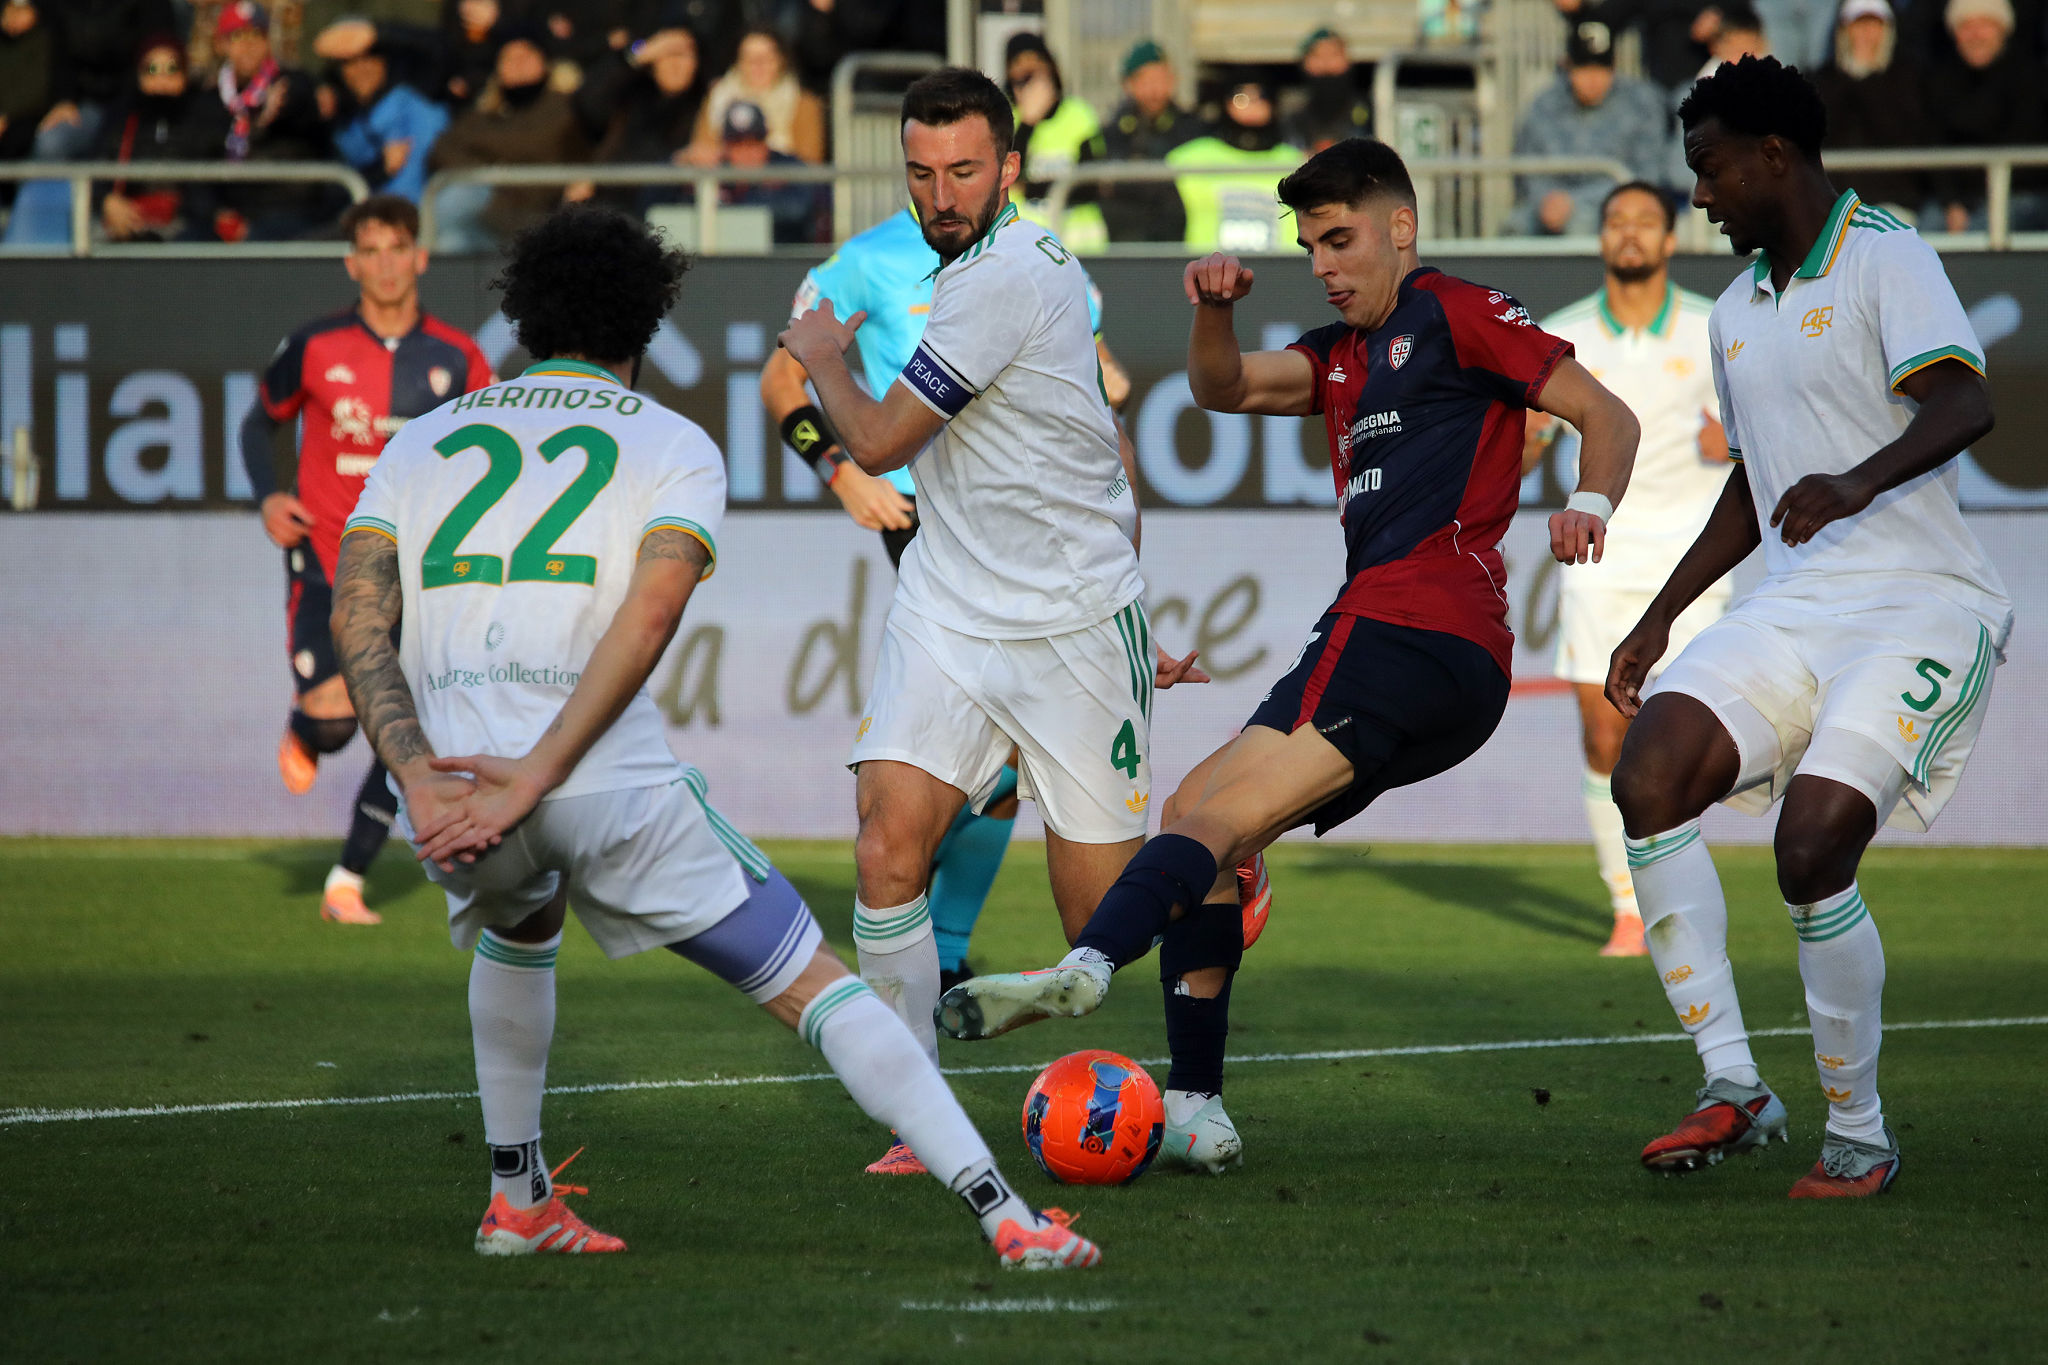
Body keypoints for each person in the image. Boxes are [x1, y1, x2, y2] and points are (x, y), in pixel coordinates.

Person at [329, 203, 1099, 1270]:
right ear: (644, 322)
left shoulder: (422, 441)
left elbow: (358, 613)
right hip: (606, 794)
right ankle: (1004, 1216)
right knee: (815, 986)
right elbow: (649, 619)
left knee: (516, 919)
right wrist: (542, 778)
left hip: (459, 790)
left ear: (522, 316)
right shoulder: (669, 443)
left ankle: (515, 1200)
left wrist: (416, 774)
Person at [936, 139, 1640, 1177]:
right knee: (1196, 813)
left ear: (1400, 228)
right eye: (1310, 245)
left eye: (1341, 239)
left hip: (1413, 624)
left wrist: (1587, 501)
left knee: (1211, 824)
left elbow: (1603, 413)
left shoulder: (1451, 310)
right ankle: (1195, 1108)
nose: (1324, 263)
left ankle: (1085, 967)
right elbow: (1222, 387)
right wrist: (1212, 307)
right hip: (1394, 641)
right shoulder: (1338, 355)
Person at [779, 68, 1223, 1172]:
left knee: (1098, 927)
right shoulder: (961, 271)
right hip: (948, 607)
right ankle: (912, 1117)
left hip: (1071, 626)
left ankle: (1208, 1001)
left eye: (964, 169)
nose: (942, 192)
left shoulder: (1011, 273)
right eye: (922, 172)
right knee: (886, 845)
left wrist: (823, 361)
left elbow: (881, 442)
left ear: (1009, 169)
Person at [1608, 56, 2009, 1197]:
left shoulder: (1884, 253)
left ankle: (1858, 1136)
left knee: (1810, 843)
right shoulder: (1736, 308)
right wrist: (1657, 616)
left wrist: (1854, 482)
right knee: (1647, 776)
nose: (1699, 197)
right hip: (1791, 604)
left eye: (1709, 169)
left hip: (1920, 598)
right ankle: (1733, 1087)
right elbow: (1752, 483)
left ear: (1771, 157)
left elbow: (1963, 399)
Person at [242, 194, 493, 926]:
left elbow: (486, 454)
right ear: (353, 263)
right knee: (336, 723)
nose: (385, 263)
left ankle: (346, 879)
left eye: (398, 247)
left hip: (419, 569)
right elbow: (259, 424)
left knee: (404, 725)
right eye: (371, 250)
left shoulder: (457, 356)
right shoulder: (315, 346)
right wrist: (267, 497)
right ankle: (305, 725)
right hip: (326, 557)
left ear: (419, 257)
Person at [1526, 180, 1729, 956]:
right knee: (1602, 735)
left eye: (1646, 222)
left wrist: (1732, 447)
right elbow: (1526, 445)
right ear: (1602, 238)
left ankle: (1675, 891)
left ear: (1672, 239)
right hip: (1598, 556)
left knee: (1681, 738)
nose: (1631, 234)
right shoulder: (1565, 336)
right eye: (1617, 222)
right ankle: (1628, 909)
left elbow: (1764, 438)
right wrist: (1528, 442)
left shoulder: (1715, 329)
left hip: (1693, 560)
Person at [427, 24, 590, 251]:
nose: (517, 63)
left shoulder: (563, 107)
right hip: (488, 217)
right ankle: (424, 270)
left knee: (460, 192)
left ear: (544, 61)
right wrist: (489, 175)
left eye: (526, 55)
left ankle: (417, 259)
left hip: (537, 220)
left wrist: (488, 163)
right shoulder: (486, 112)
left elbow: (535, 142)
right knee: (451, 241)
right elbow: (442, 148)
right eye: (508, 57)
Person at [1513, 22, 1676, 237]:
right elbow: (1528, 167)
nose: (1593, 79)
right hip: (1547, 206)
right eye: (1583, 68)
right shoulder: (1545, 104)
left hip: (1616, 209)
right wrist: (1547, 200)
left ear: (1614, 66)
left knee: (1580, 224)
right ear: (1567, 66)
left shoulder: (1641, 103)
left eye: (1601, 68)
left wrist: (1575, 201)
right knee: (1514, 226)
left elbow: (1646, 177)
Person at [212, 1, 338, 242]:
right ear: (222, 45)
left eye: (256, 35)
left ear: (268, 41)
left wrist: (274, 113)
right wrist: (218, 212)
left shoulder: (291, 81)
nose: (248, 45)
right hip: (231, 208)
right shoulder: (212, 96)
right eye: (237, 36)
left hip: (286, 207)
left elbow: (303, 107)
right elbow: (203, 155)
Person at [1923, 0, 2048, 233]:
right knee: (1923, 232)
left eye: (1985, 25)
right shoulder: (1941, 81)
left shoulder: (2029, 78)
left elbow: (2023, 151)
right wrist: (1952, 202)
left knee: (1982, 229)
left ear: (2003, 29)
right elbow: (1934, 144)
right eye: (1966, 26)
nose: (1976, 35)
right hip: (1958, 199)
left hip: (2020, 194)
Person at [92, 35, 231, 243]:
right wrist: (107, 201)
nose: (162, 80)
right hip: (128, 222)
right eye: (152, 70)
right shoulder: (121, 117)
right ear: (139, 76)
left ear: (185, 75)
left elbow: (211, 188)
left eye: (172, 70)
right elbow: (97, 170)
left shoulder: (205, 116)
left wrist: (179, 208)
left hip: (187, 227)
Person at [1811, 0, 1928, 224]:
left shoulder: (1906, 78)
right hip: (1835, 203)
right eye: (1858, 24)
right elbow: (1823, 133)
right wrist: (1852, 75)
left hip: (1893, 201)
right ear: (1845, 30)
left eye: (1874, 25)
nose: (1866, 33)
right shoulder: (1824, 80)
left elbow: (1900, 132)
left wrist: (1868, 77)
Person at [1084, 40, 1206, 244]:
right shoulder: (1111, 134)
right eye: (1146, 80)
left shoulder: (1193, 129)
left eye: (1162, 79)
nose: (1155, 90)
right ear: (1128, 84)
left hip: (1179, 242)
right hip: (1124, 244)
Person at [1166, 79, 1301, 253]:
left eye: (1260, 97)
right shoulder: (1191, 158)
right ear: (1226, 103)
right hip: (1208, 273)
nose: (1252, 106)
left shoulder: (1295, 162)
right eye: (1241, 98)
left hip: (1282, 274)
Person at [323, 31, 450, 204]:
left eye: (370, 58)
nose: (362, 69)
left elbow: (438, 50)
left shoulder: (416, 102)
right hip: (370, 216)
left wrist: (375, 30)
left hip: (418, 217)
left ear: (385, 63)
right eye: (349, 63)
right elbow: (335, 189)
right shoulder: (346, 124)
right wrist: (380, 169)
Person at [1003, 32, 1104, 249]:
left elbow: (1092, 184)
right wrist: (1028, 123)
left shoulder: (1078, 114)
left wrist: (1031, 189)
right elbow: (1006, 178)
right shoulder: (1006, 120)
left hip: (1080, 244)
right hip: (1025, 245)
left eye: (1034, 64)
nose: (1027, 75)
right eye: (1018, 65)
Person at [687, 28, 824, 166]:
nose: (758, 65)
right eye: (749, 58)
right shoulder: (717, 98)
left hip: (784, 183)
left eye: (767, 57)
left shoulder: (803, 103)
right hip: (728, 182)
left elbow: (810, 161)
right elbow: (702, 151)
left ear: (781, 60)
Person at [715, 99, 827, 244]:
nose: (747, 153)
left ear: (766, 140)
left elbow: (797, 208)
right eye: (737, 144)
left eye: (754, 143)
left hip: (781, 260)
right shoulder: (716, 169)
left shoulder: (786, 166)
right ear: (725, 147)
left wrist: (738, 201)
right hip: (726, 260)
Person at [1280, 27, 1372, 154]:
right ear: (1305, 62)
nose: (1326, 63)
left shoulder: (1367, 106)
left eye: (1334, 54)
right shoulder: (1290, 110)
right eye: (1317, 55)